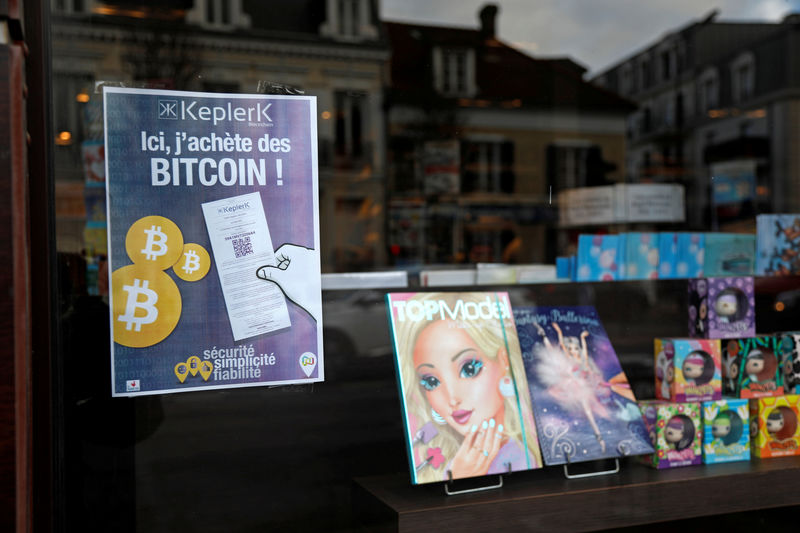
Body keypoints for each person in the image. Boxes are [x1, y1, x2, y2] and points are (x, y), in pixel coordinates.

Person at [393, 293, 541, 483]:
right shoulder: (445, 459)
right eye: (431, 381)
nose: (452, 398)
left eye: (469, 369)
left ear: (504, 360)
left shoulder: (519, 457)